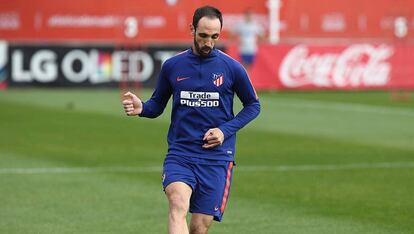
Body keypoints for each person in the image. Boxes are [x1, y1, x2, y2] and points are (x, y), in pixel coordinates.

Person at [122, 5, 260, 234]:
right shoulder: (173, 66)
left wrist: (225, 131)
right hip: (181, 153)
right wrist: (142, 108)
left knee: (198, 227)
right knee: (177, 204)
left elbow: (253, 105)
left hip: (216, 158)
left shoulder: (232, 68)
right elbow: (157, 105)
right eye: (203, 35)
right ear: (192, 29)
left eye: (214, 37)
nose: (208, 42)